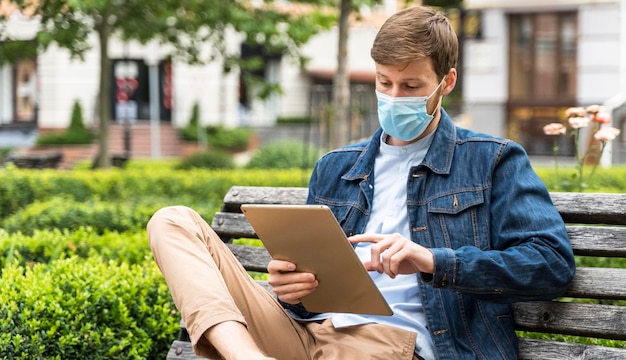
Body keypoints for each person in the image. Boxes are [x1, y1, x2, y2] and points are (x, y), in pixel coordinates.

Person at [148, 5, 576, 360]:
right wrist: (291, 289)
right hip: (310, 336)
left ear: (446, 81)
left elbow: (551, 264)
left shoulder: (492, 159)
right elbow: (306, 297)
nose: (393, 97)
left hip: (397, 346)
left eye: (411, 86)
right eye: (384, 83)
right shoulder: (337, 166)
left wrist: (432, 260)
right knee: (173, 222)